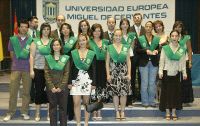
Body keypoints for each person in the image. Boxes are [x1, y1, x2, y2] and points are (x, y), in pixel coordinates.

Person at [3, 19, 32, 121]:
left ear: (28, 29)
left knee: (26, 92)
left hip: (27, 69)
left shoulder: (31, 40)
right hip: (15, 68)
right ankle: (10, 112)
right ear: (19, 28)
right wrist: (17, 63)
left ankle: (24, 112)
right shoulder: (13, 39)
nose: (24, 28)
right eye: (22, 26)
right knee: (13, 92)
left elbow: (32, 55)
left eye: (26, 27)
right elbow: (11, 54)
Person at [68, 33, 96, 126]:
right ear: (78, 42)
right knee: (76, 103)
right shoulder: (73, 53)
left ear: (86, 40)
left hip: (87, 81)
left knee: (86, 103)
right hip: (76, 81)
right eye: (80, 40)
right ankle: (78, 123)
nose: (81, 42)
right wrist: (69, 82)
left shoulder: (91, 53)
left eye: (83, 40)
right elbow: (69, 69)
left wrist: (94, 83)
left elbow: (94, 69)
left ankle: (86, 123)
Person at [159, 30, 187, 121]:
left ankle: (174, 112)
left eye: (176, 36)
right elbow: (162, 60)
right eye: (173, 36)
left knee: (175, 93)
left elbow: (183, 62)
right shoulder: (165, 48)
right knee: (166, 93)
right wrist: (160, 71)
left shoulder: (181, 49)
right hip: (166, 72)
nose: (174, 38)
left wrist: (184, 73)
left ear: (179, 37)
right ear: (170, 37)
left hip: (176, 73)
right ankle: (167, 112)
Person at [106, 29, 131, 120]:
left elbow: (128, 61)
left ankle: (123, 111)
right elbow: (107, 62)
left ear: (122, 36)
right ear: (113, 36)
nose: (118, 37)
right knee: (115, 94)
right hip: (113, 73)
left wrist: (129, 74)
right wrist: (108, 74)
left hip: (123, 73)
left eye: (119, 35)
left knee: (124, 93)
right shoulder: (109, 47)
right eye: (116, 35)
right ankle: (117, 111)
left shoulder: (126, 47)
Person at [44, 38, 70, 126]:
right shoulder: (48, 58)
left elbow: (67, 73)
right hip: (51, 88)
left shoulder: (65, 58)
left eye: (57, 45)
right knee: (52, 109)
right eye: (54, 45)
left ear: (60, 46)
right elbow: (46, 73)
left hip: (62, 88)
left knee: (63, 109)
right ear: (52, 46)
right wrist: (52, 87)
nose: (56, 46)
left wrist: (61, 87)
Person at [30, 23, 52, 121]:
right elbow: (31, 56)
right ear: (41, 30)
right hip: (38, 70)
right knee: (38, 92)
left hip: (50, 71)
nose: (46, 31)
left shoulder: (53, 42)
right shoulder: (35, 41)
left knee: (49, 92)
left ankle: (49, 113)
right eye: (44, 29)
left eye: (48, 29)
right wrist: (31, 70)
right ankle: (37, 113)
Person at [136, 21, 160, 107]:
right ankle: (145, 102)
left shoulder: (156, 38)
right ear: (145, 28)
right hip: (143, 63)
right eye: (147, 26)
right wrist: (146, 51)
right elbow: (137, 50)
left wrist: (157, 50)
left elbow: (158, 49)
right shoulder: (140, 38)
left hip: (153, 63)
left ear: (152, 28)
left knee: (152, 83)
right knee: (144, 82)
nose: (148, 28)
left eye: (150, 27)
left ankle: (152, 101)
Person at [89, 23, 109, 120]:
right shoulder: (89, 42)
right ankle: (94, 111)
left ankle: (99, 110)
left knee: (101, 89)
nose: (97, 32)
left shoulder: (106, 42)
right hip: (92, 67)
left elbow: (108, 56)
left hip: (103, 67)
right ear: (92, 32)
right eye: (95, 30)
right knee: (93, 89)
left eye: (99, 30)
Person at [172, 21, 194, 105]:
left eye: (180, 27)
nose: (178, 28)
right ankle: (177, 98)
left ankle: (186, 99)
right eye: (176, 27)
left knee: (186, 80)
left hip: (185, 61)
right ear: (174, 28)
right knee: (176, 80)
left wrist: (190, 62)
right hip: (174, 61)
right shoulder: (171, 37)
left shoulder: (186, 37)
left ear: (182, 28)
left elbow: (189, 50)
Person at [60, 23, 76, 120]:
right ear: (61, 30)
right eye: (63, 28)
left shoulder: (74, 41)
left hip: (72, 66)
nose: (65, 30)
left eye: (67, 28)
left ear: (70, 30)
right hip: (61, 67)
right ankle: (63, 113)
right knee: (62, 90)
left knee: (71, 90)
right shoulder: (58, 41)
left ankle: (71, 113)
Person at [119, 18, 137, 107]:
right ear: (120, 25)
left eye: (126, 24)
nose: (124, 25)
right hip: (120, 59)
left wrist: (128, 57)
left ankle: (129, 101)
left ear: (128, 25)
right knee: (120, 80)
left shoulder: (132, 36)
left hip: (130, 58)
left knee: (130, 79)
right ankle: (120, 101)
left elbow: (132, 48)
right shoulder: (118, 35)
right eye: (123, 24)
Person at [129, 13, 146, 102]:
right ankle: (132, 96)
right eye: (135, 18)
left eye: (138, 18)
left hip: (143, 56)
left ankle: (140, 95)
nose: (137, 19)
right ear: (133, 19)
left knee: (141, 76)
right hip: (133, 55)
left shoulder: (145, 29)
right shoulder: (130, 29)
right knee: (131, 75)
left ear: (141, 19)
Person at [153, 20, 168, 102]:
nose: (158, 28)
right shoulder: (153, 37)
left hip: (165, 61)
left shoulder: (167, 36)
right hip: (155, 60)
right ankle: (156, 98)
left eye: (160, 26)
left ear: (162, 26)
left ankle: (162, 98)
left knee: (163, 80)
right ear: (155, 28)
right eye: (156, 27)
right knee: (156, 80)